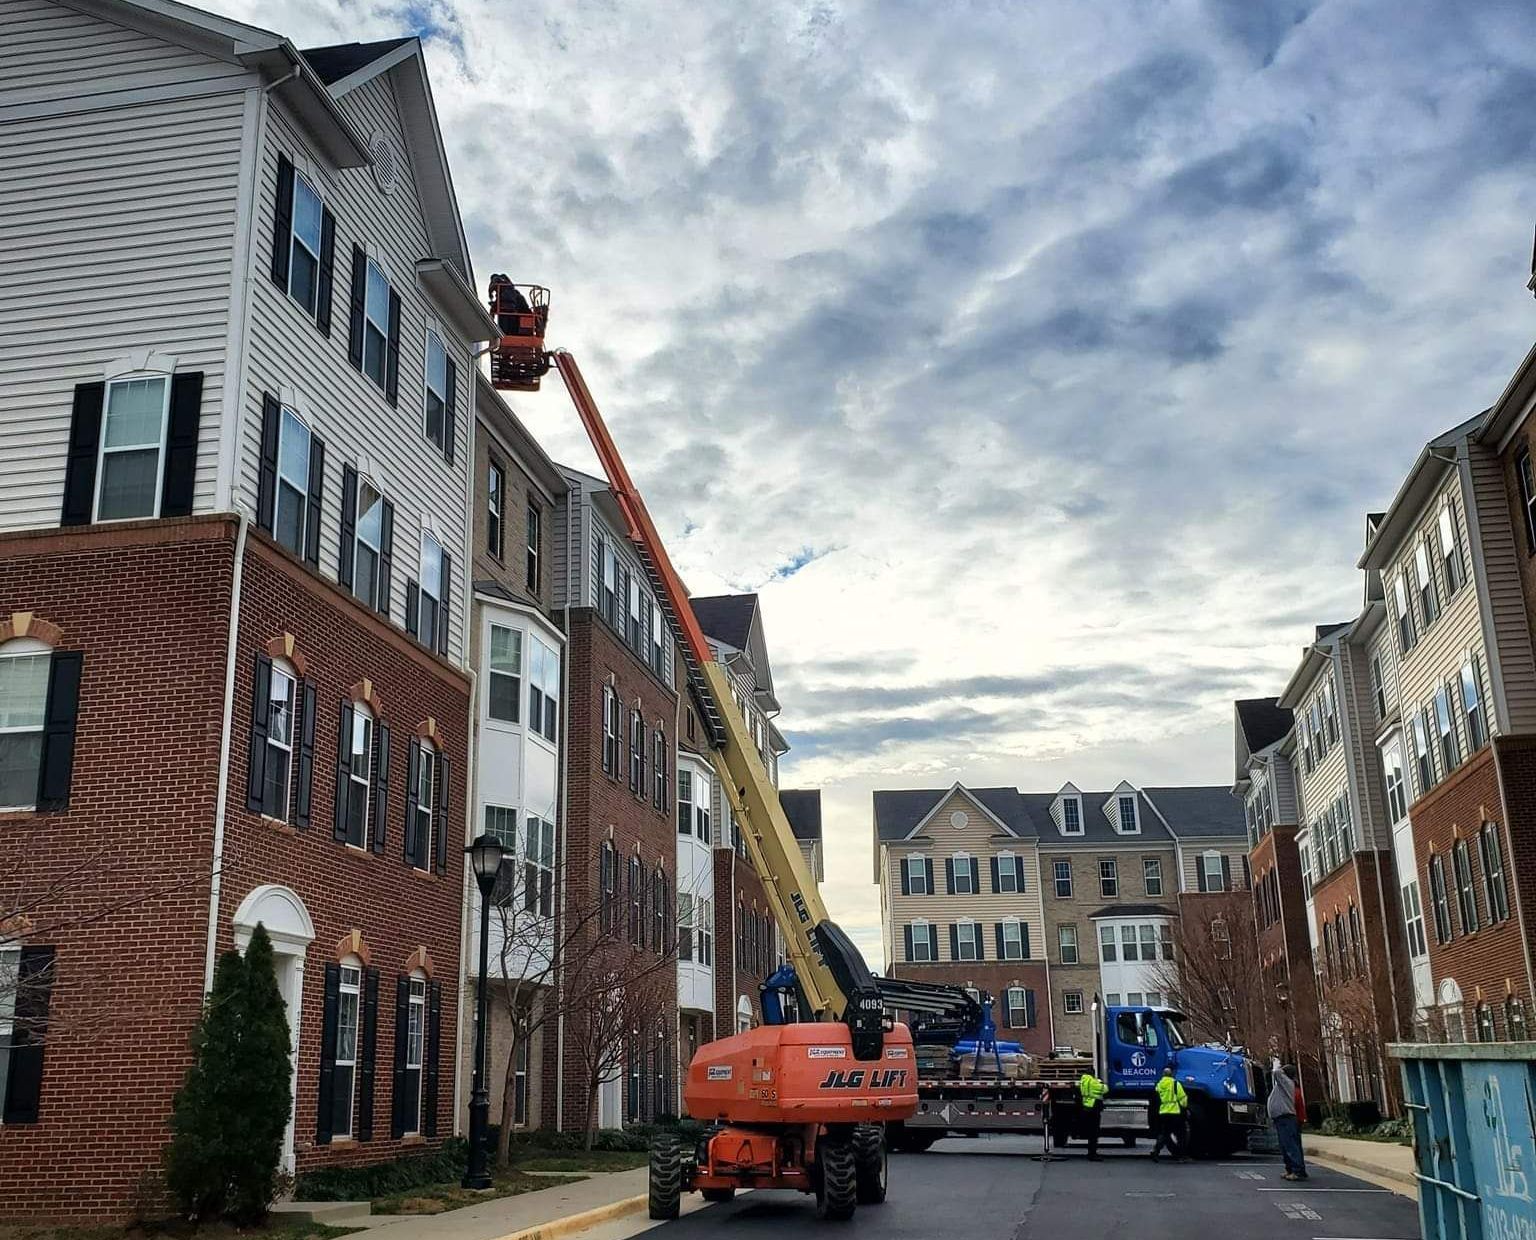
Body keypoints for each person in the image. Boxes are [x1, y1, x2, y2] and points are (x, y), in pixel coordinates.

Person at [1269, 1063, 1308, 1181]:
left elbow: (1276, 1072)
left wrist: (1279, 1067)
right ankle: (1290, 1169)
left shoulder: (1286, 1083)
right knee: (1286, 1145)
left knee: (1290, 1145)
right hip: (1282, 1119)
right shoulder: (1284, 1085)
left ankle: (1298, 1170)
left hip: (1286, 1118)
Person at [1151, 1066, 1188, 1161]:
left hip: (1163, 1112)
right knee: (1180, 1134)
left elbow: (1156, 1099)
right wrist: (1184, 1107)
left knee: (1164, 1133)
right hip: (1175, 1112)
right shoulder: (1175, 1084)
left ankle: (1156, 1151)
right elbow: (1183, 1098)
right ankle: (1181, 1156)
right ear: (1171, 1074)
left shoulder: (1159, 1085)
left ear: (1163, 1074)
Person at [1078, 1070, 1109, 1160]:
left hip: (1087, 1107)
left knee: (1091, 1131)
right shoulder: (1093, 1082)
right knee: (1094, 1132)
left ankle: (1091, 1153)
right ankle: (1092, 1154)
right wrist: (1101, 1082)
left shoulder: (1083, 1081)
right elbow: (1105, 1089)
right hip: (1094, 1108)